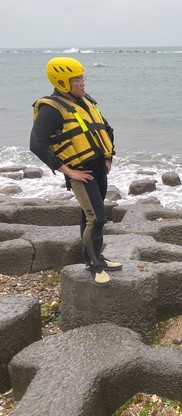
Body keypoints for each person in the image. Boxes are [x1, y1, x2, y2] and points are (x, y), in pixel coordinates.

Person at [30, 57, 121, 286]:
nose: (82, 83)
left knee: (90, 216)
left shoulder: (85, 101)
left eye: (82, 78)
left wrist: (108, 156)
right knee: (97, 218)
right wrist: (68, 171)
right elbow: (37, 144)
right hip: (82, 174)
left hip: (99, 169)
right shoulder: (52, 109)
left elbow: (105, 128)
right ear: (62, 82)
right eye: (77, 79)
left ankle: (95, 256)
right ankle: (94, 265)